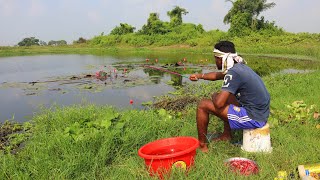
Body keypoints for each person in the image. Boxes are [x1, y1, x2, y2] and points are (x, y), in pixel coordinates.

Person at [189, 41, 270, 152]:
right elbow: (217, 75)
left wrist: (214, 95)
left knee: (203, 105)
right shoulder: (239, 67)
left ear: (220, 58)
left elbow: (218, 104)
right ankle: (226, 135)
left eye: (215, 58)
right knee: (228, 97)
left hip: (255, 117)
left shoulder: (233, 73)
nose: (215, 60)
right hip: (260, 112)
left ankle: (202, 146)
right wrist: (199, 76)